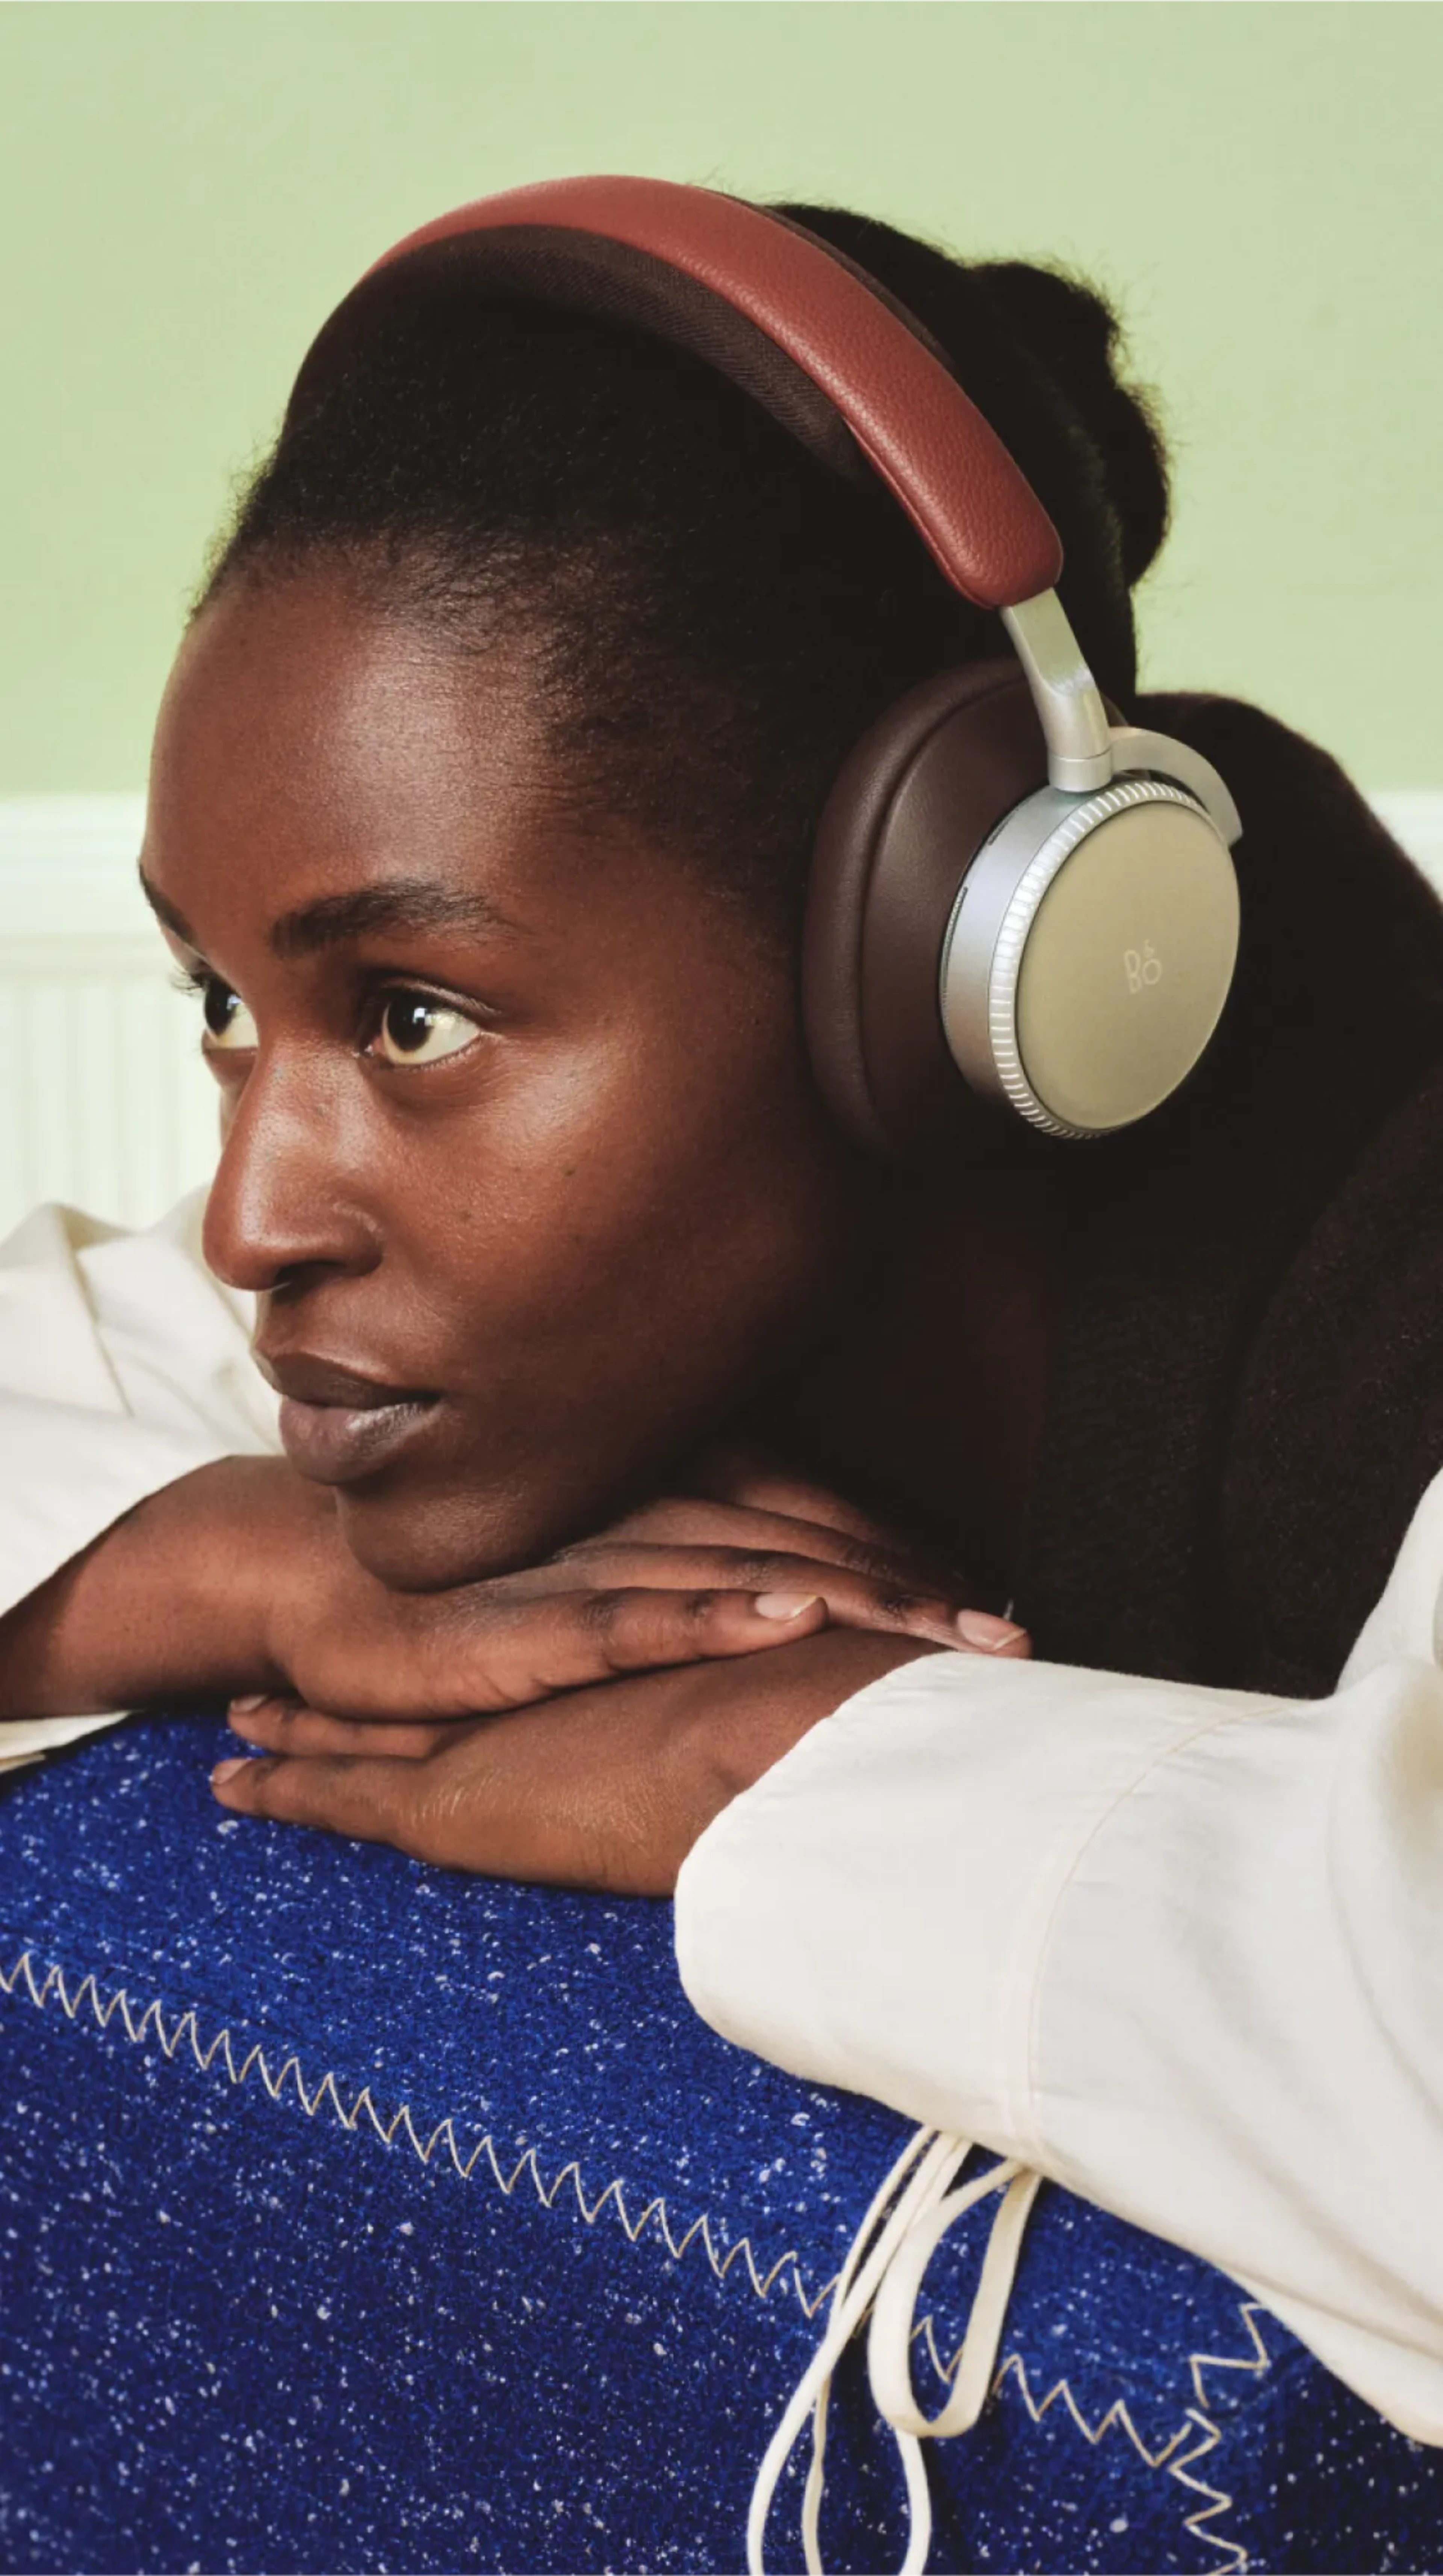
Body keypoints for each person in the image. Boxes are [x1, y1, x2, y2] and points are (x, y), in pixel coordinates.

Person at [3, 177, 1443, 2534]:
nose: (256, 1216)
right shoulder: (594, 1305)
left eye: (414, 1014)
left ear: (945, 970)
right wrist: (248, 1565)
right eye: (222, 1007)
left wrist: (784, 1745)